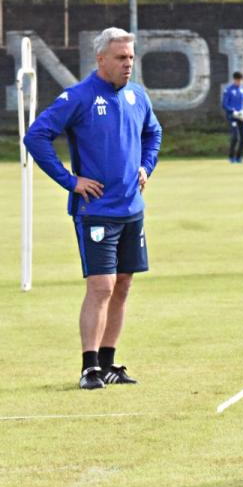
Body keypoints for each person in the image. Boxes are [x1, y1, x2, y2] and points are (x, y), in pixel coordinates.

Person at [24, 27, 163, 390]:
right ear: (100, 59)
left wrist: (146, 167)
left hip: (133, 209)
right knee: (101, 286)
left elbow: (154, 133)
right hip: (96, 211)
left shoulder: (137, 96)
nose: (128, 64)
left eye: (131, 57)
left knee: (123, 284)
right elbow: (35, 136)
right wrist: (71, 181)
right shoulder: (79, 97)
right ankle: (89, 368)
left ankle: (109, 362)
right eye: (121, 57)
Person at [222, 71, 243, 164]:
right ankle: (231, 157)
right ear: (234, 80)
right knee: (235, 137)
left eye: (240, 80)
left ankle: (239, 157)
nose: (239, 82)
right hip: (233, 117)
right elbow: (225, 104)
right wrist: (232, 111)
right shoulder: (228, 90)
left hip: (242, 117)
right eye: (237, 80)